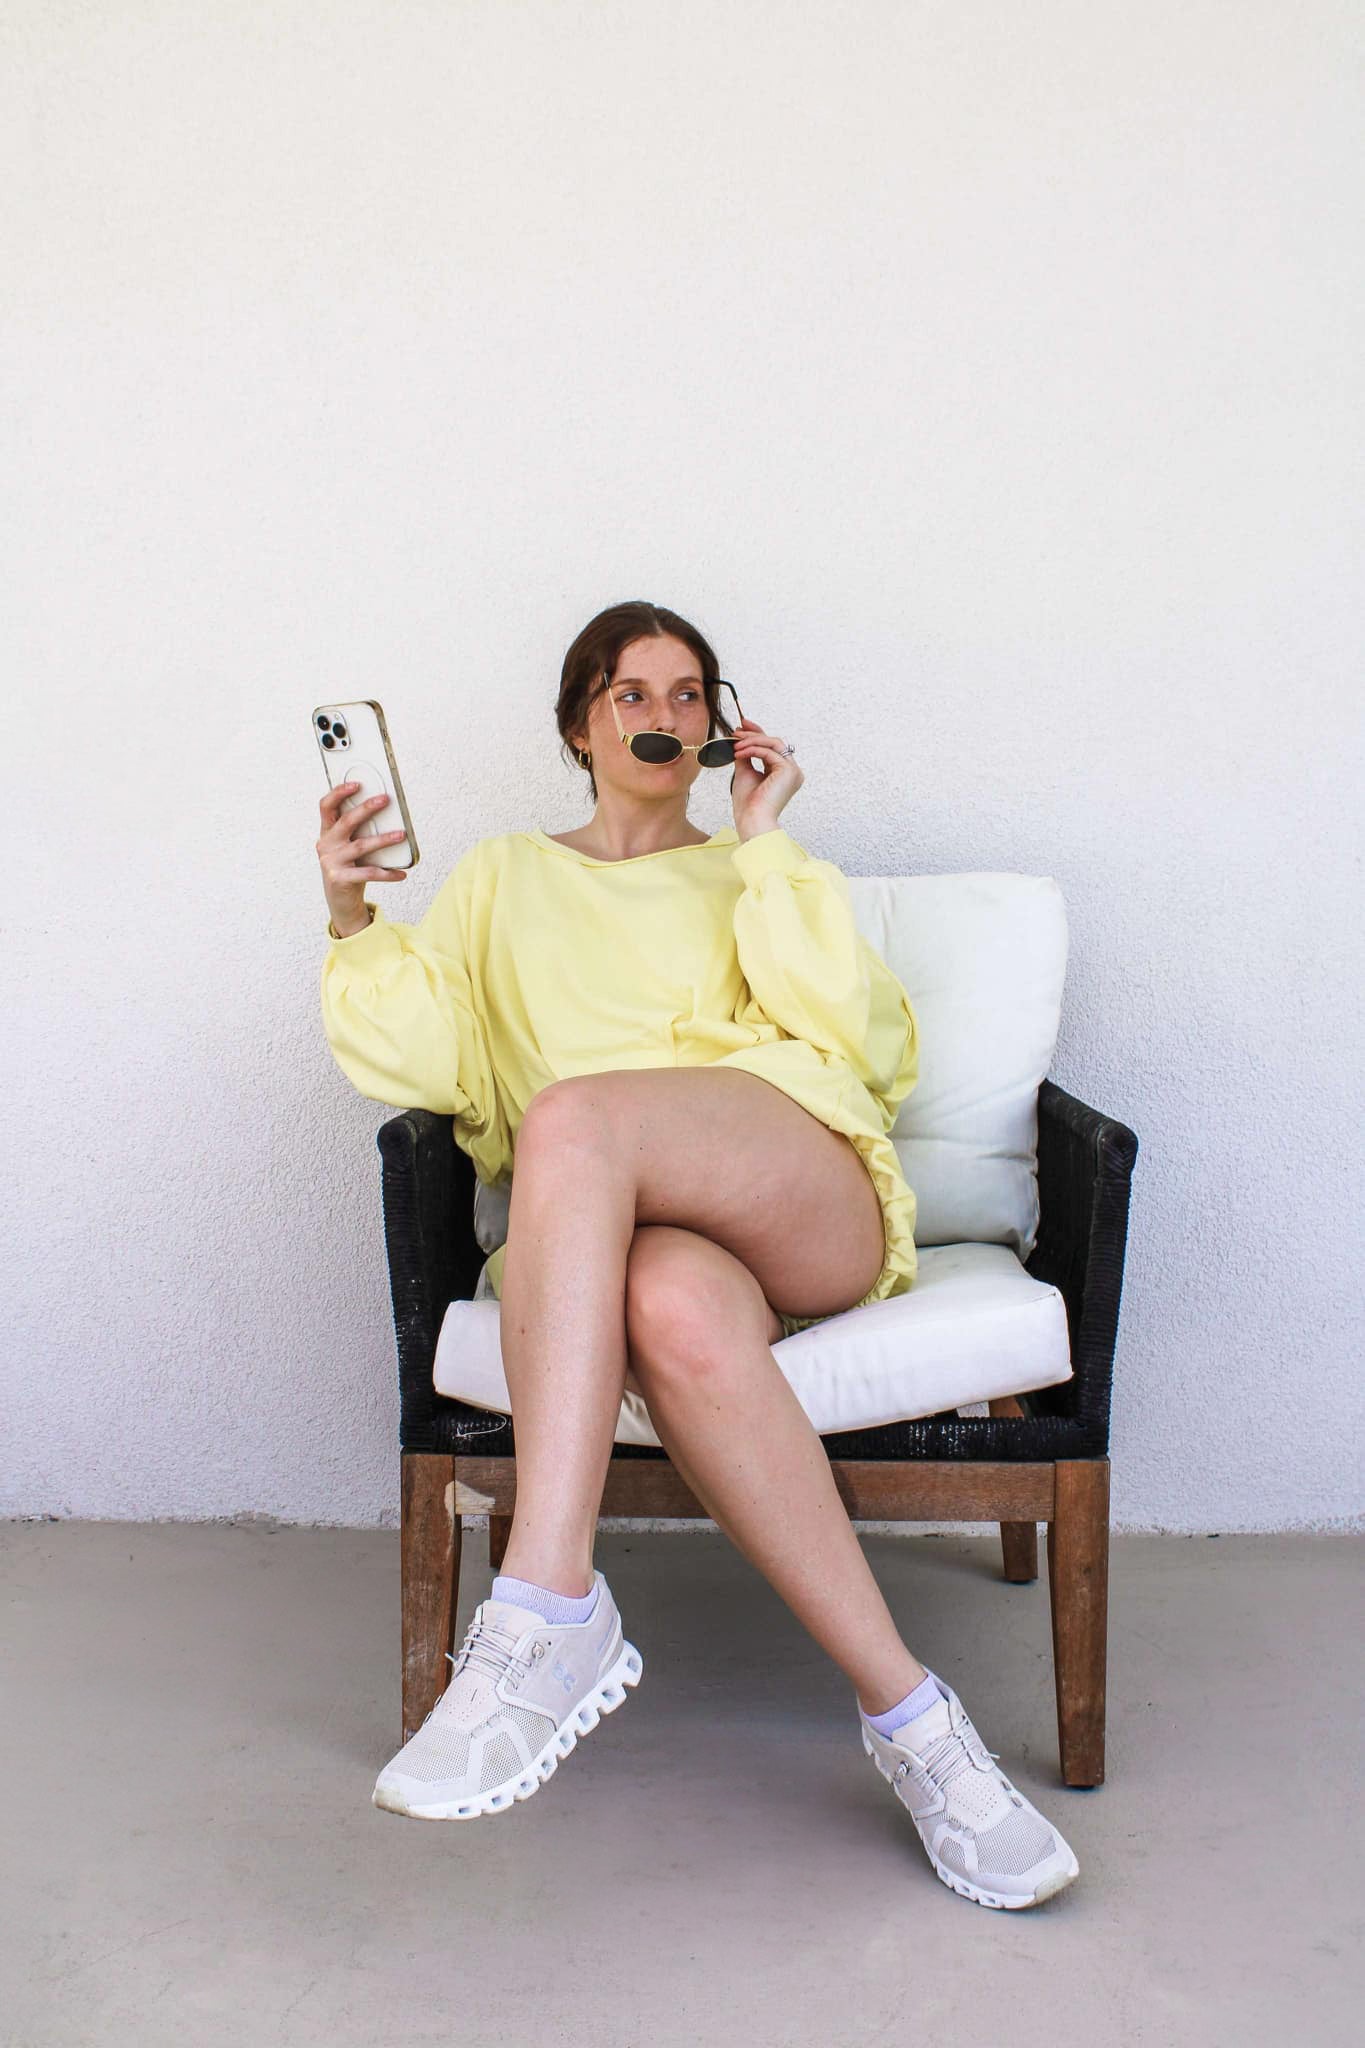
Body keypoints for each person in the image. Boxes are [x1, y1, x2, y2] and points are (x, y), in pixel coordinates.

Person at [315, 599, 1078, 1908]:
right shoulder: (500, 879)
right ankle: (922, 1730)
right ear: (580, 726)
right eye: (632, 694)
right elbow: (430, 1062)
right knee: (664, 1299)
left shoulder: (744, 870)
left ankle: (546, 1599)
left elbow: (855, 1040)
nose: (662, 717)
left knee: (573, 1118)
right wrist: (349, 911)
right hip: (637, 1239)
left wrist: (764, 839)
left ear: (715, 730)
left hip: (799, 1196)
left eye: (687, 696)